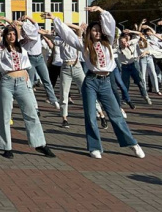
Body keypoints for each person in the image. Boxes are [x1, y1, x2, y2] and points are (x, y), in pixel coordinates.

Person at [51, 8, 145, 159]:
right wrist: (55, 19)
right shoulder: (84, 45)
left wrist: (101, 11)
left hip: (106, 81)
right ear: (89, 32)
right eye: (94, 30)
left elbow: (111, 24)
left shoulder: (109, 42)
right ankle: (94, 147)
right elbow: (68, 35)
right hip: (91, 81)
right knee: (90, 115)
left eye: (99, 30)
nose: (97, 33)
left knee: (115, 115)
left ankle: (132, 143)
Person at [0, 19, 55, 159]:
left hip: (22, 82)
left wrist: (13, 23)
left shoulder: (23, 46)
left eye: (13, 34)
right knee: (5, 116)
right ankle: (6, 147)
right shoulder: (2, 48)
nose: (12, 36)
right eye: (9, 34)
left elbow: (26, 31)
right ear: (5, 36)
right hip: (7, 83)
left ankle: (40, 144)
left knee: (31, 113)